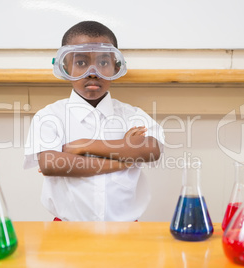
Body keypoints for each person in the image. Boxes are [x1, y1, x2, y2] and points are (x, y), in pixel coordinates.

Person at [24, 21, 164, 221]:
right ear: (65, 67)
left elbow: (151, 150)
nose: (92, 72)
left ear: (116, 66)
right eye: (81, 63)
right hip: (66, 229)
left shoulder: (132, 115)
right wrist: (124, 155)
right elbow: (52, 163)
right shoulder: (50, 116)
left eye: (103, 63)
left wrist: (84, 145)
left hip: (127, 230)